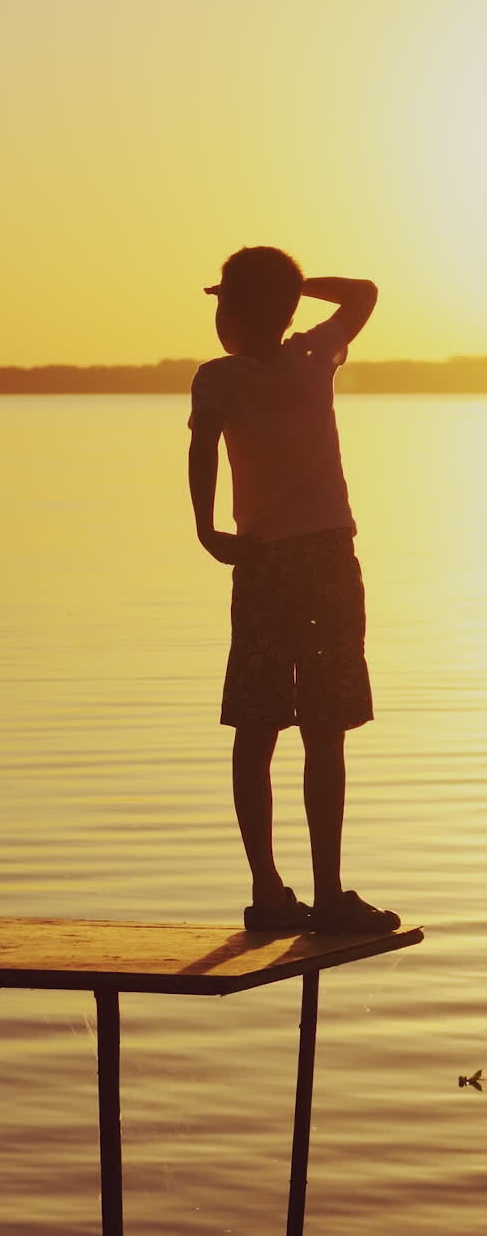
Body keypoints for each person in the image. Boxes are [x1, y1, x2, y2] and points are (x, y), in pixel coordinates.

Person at [188, 245, 400, 934]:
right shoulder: (312, 355)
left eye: (224, 303)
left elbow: (202, 449)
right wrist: (292, 286)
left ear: (234, 313)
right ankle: (323, 893)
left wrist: (207, 529)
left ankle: (271, 892)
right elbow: (363, 292)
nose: (218, 317)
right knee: (322, 730)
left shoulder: (219, 377)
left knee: (259, 728)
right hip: (326, 560)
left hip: (267, 564)